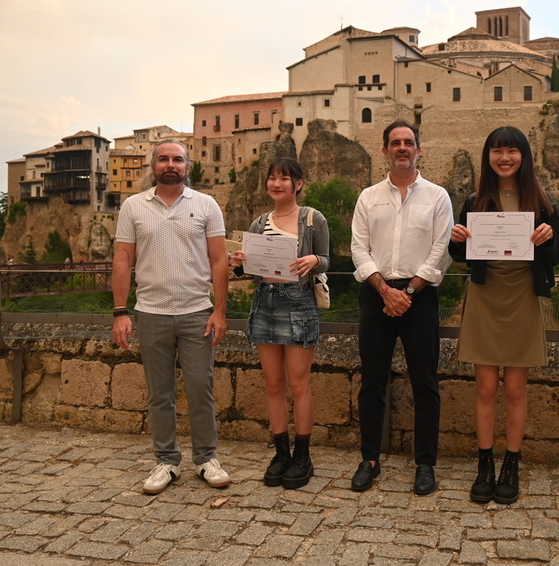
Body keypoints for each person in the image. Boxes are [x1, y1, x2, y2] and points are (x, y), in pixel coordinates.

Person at [448, 126, 559, 504]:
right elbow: (461, 258)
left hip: (522, 296)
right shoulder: (475, 199)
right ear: (488, 157)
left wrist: (548, 236)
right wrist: (457, 240)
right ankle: (485, 464)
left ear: (523, 156)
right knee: (484, 387)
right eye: (497, 151)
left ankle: (510, 465)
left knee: (515, 388)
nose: (504, 158)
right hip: (485, 296)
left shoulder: (542, 200)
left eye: (512, 152)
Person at [112, 139, 231, 495]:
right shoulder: (133, 206)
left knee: (201, 388)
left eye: (177, 159)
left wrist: (221, 310)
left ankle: (207, 459)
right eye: (163, 159)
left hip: (197, 311)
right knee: (159, 393)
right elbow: (122, 259)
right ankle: (166, 461)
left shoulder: (206, 204)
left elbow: (220, 260)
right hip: (150, 313)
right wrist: (120, 311)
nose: (170, 165)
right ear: (153, 166)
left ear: (187, 166)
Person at [350, 120, 453, 495]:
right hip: (376, 294)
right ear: (385, 152)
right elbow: (359, 248)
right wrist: (383, 289)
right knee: (372, 381)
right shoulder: (368, 197)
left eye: (409, 143)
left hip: (419, 295)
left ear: (419, 150)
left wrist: (407, 291)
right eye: (395, 143)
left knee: (425, 383)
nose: (402, 148)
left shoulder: (438, 197)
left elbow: (440, 250)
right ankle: (370, 460)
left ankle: (425, 464)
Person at [229, 158, 330, 489]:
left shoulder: (313, 219)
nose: (276, 184)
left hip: (298, 304)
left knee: (299, 383)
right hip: (266, 303)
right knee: (273, 384)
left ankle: (303, 456)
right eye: (272, 178)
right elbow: (253, 272)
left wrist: (314, 260)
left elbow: (328, 258)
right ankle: (281, 453)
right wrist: (240, 264)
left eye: (284, 179)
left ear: (297, 184)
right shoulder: (259, 223)